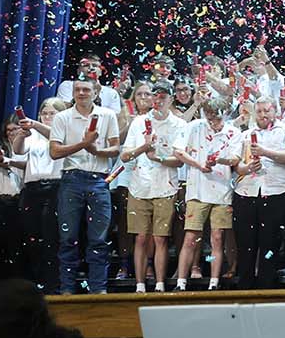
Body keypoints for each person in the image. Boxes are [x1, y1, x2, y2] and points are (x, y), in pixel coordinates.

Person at [49, 77, 122, 293]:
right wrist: (85, 144)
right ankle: (67, 290)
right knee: (68, 237)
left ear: (95, 92)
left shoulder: (107, 115)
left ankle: (98, 289)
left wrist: (96, 151)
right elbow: (54, 152)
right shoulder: (62, 117)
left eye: (86, 90)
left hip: (99, 179)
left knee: (99, 239)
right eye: (77, 90)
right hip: (72, 179)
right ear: (72, 93)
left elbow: (115, 148)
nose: (81, 93)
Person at [119, 80, 186, 293]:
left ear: (170, 99)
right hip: (139, 186)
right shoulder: (139, 122)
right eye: (154, 96)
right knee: (139, 237)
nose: (158, 100)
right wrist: (144, 147)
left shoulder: (179, 125)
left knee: (160, 238)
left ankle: (159, 284)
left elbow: (179, 160)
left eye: (163, 96)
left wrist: (157, 157)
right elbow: (125, 155)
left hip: (166, 187)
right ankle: (140, 285)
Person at [232, 96, 285, 290]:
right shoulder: (246, 134)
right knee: (245, 243)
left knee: (270, 242)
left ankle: (266, 288)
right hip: (247, 192)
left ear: (275, 111)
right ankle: (244, 288)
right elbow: (237, 165)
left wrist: (265, 152)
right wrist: (247, 167)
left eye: (267, 110)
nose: (263, 115)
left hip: (277, 191)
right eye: (259, 111)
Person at [174, 98, 241, 290]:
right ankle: (181, 282)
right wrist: (198, 164)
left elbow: (235, 158)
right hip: (197, 190)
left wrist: (219, 160)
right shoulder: (195, 126)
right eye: (210, 118)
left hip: (222, 192)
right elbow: (178, 151)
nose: (213, 122)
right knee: (190, 237)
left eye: (217, 118)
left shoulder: (233, 133)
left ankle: (214, 282)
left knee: (217, 238)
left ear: (225, 115)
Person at [18, 98, 65, 292]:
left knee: (50, 237)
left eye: (51, 113)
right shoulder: (34, 134)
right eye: (44, 113)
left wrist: (35, 125)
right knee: (32, 237)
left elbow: (55, 137)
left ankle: (52, 284)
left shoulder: (63, 131)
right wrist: (22, 134)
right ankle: (36, 281)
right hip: (32, 187)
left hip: (54, 186)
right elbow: (18, 150)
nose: (47, 117)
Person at [0, 115, 28, 282]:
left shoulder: (29, 145)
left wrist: (11, 161)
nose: (10, 133)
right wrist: (1, 157)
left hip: (18, 203)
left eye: (14, 129)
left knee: (16, 251)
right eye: (8, 130)